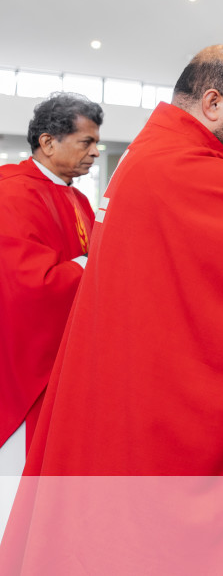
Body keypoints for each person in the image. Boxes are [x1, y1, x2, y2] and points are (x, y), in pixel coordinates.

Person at [0, 45, 223, 576]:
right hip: (81, 375)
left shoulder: (128, 171)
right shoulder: (170, 163)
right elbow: (23, 282)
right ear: (213, 103)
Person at [0, 92, 102, 471]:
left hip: (70, 355)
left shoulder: (77, 198)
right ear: (48, 142)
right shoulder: (12, 193)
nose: (95, 152)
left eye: (96, 143)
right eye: (86, 142)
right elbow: (30, 287)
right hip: (28, 362)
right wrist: (90, 265)